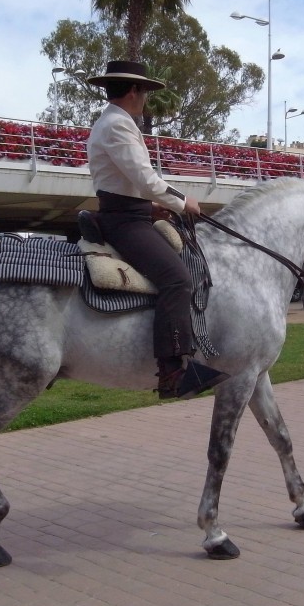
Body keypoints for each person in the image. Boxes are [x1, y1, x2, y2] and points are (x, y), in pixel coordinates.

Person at [86, 60, 228, 400]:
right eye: (145, 92)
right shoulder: (117, 124)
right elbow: (145, 178)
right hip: (124, 222)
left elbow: (124, 182)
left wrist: (150, 207)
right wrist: (183, 202)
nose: (146, 98)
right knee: (177, 278)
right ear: (134, 90)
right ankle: (172, 371)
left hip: (132, 213)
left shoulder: (114, 122)